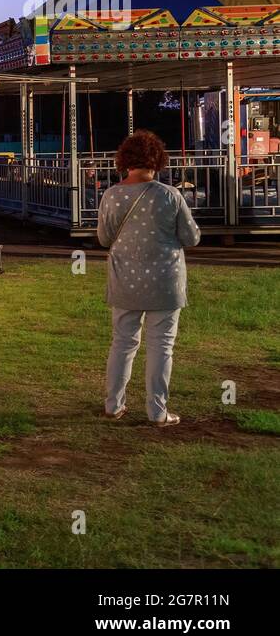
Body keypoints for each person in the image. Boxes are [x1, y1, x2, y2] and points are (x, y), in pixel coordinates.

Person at [98, 130, 200, 426]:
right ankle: (157, 411)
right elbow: (191, 238)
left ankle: (113, 405)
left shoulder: (112, 196)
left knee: (122, 343)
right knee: (161, 346)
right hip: (165, 283)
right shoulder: (170, 195)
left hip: (124, 282)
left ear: (124, 161)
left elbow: (104, 239)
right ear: (157, 160)